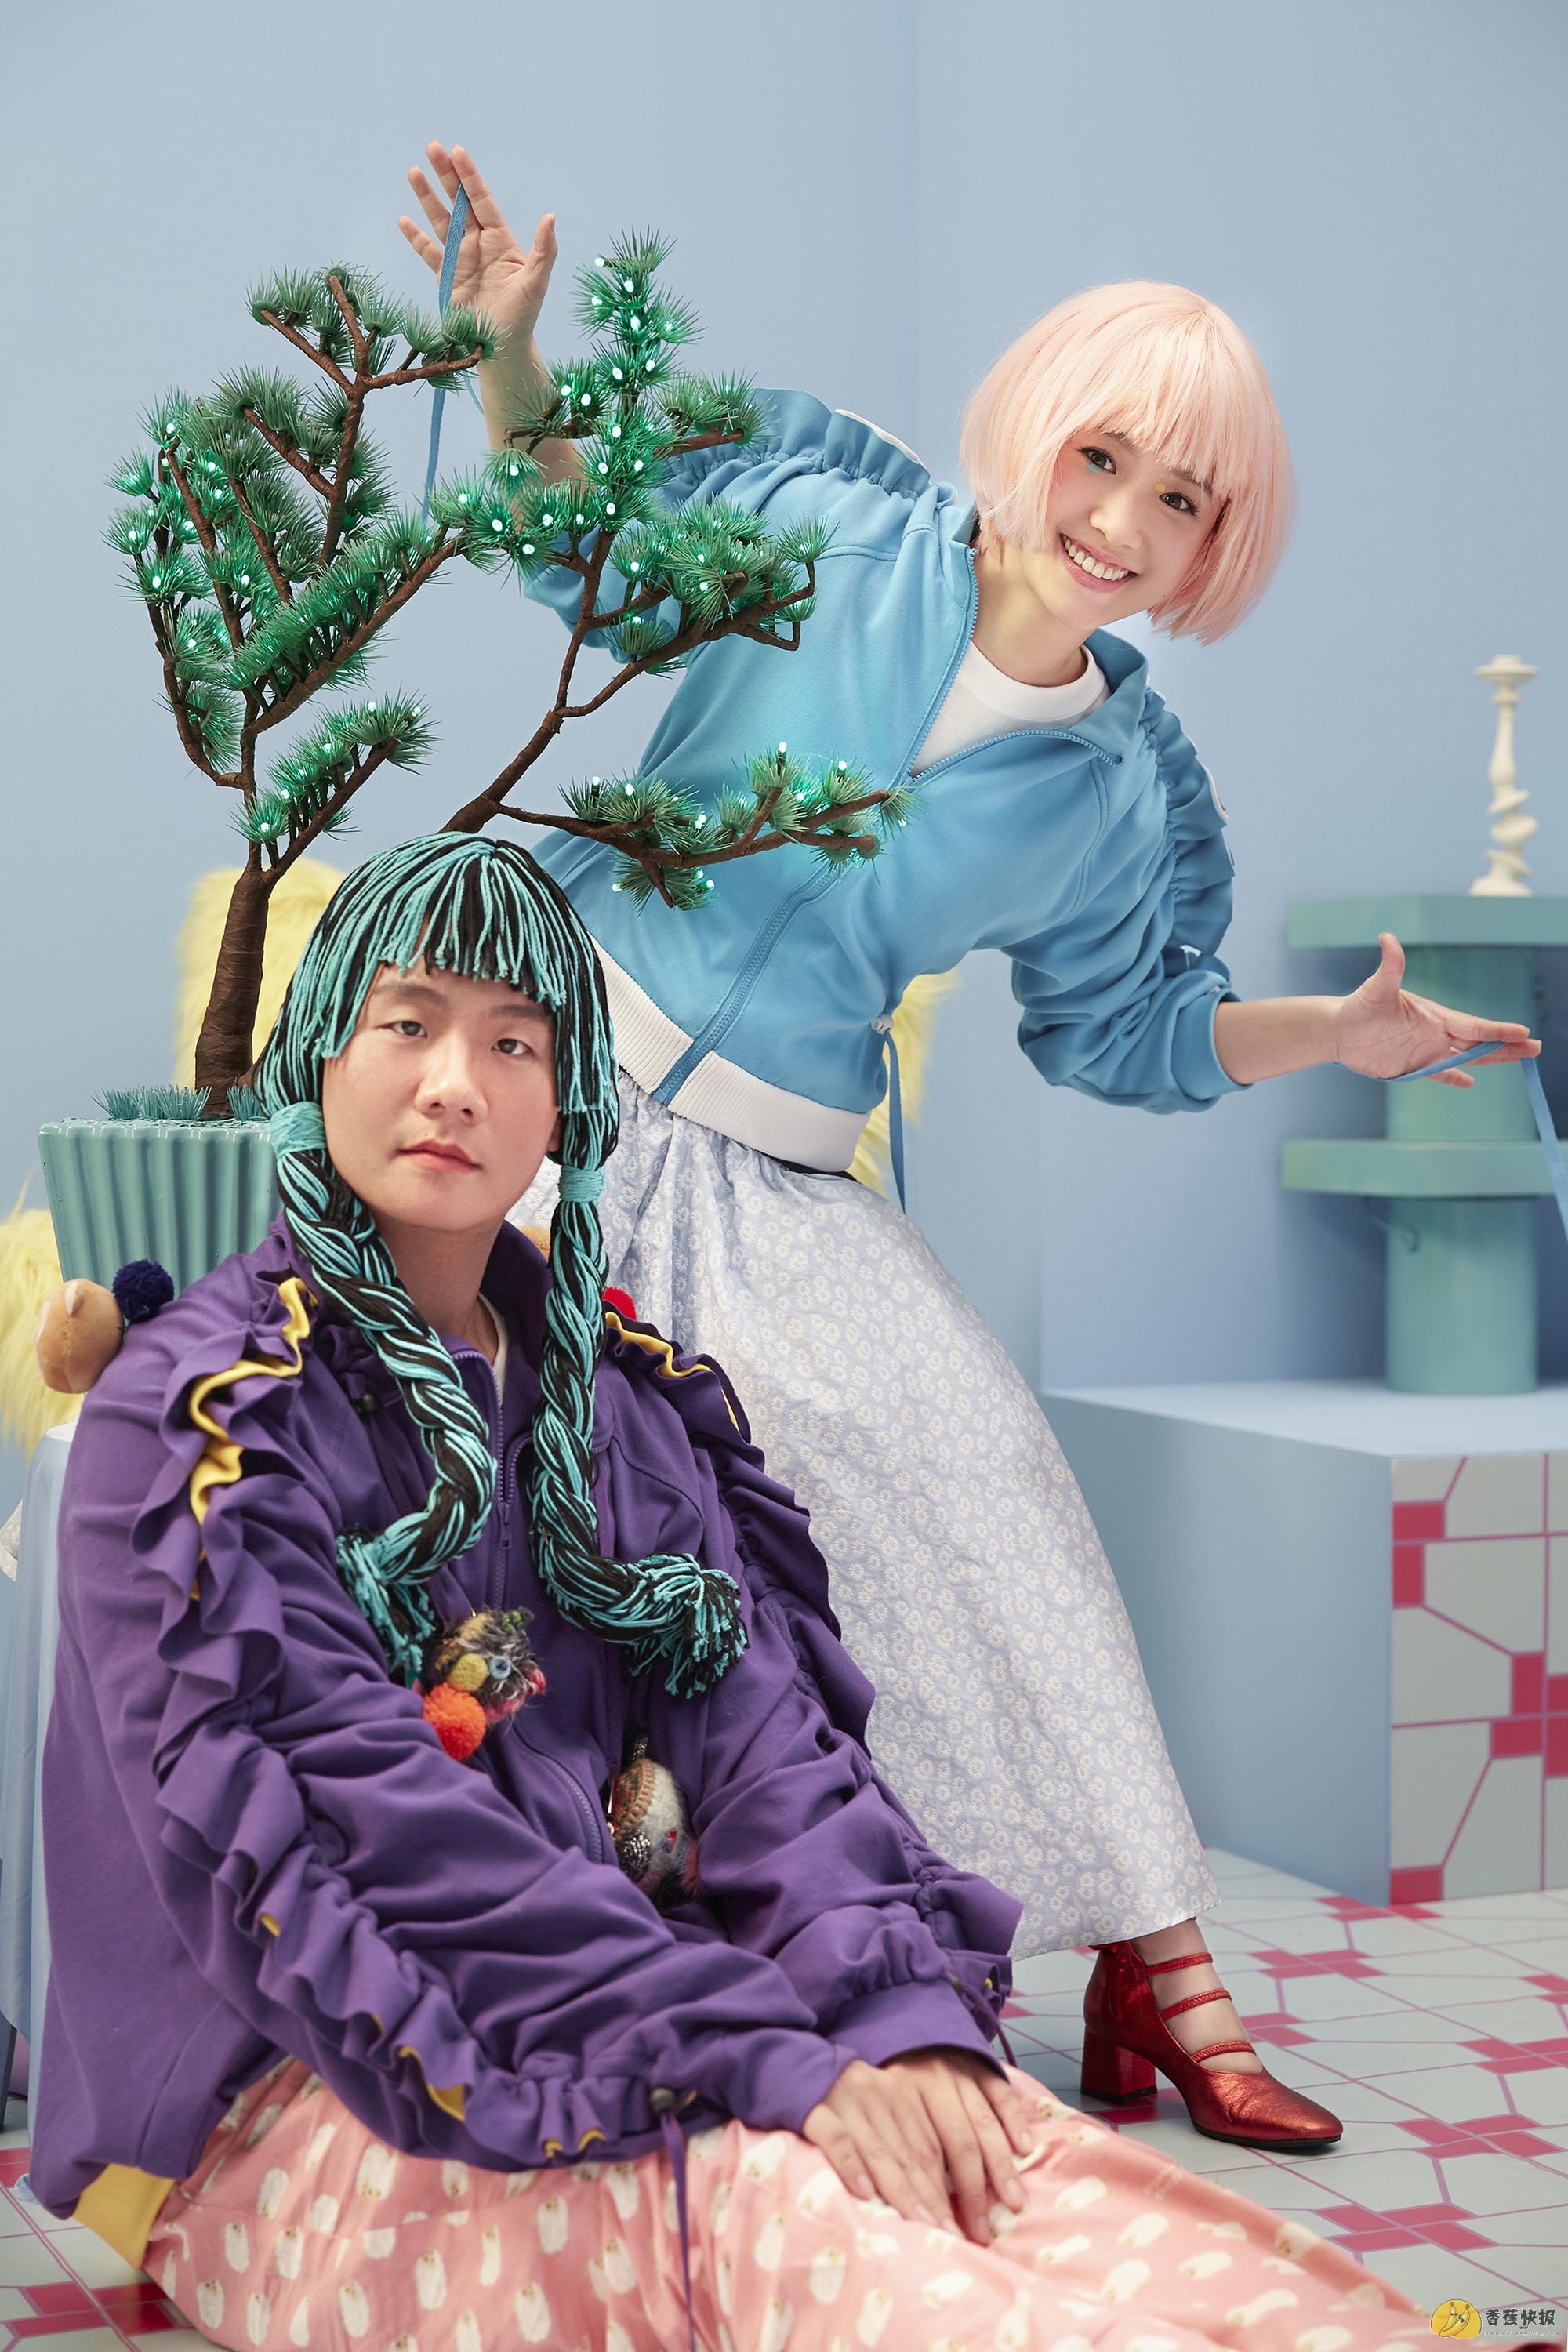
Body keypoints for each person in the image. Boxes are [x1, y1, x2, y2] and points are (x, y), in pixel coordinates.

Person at [397, 145, 1539, 2151]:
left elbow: (1126, 1032)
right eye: (1102, 459)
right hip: (548, 1086)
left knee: (981, 1474)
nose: (1119, 523)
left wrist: (1332, 1035)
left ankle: (1152, 1958)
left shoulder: (1113, 793)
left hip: (773, 1169)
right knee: (510, 1506)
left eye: (1180, 503)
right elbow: (592, 562)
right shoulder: (834, 531)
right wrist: (507, 364)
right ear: (1036, 431)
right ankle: (547, 1955)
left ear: (1214, 547)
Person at [36, 834, 1429, 2351]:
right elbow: (369, 1831)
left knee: (1003, 2157)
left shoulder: (620, 1402)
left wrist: (890, 2024)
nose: (455, 1084)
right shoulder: (201, 1421)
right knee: (796, 2221)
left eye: (514, 1043)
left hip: (667, 2004)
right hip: (310, 2075)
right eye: (407, 1023)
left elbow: (769, 1746)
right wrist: (770, 2058)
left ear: (569, 1104)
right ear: (318, 1052)